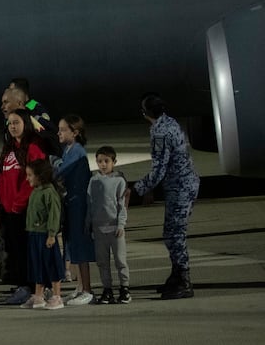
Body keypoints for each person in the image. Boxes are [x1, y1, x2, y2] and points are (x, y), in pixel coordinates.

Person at [129, 93, 200, 300]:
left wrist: (137, 189)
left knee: (174, 235)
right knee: (172, 233)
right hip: (184, 184)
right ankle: (177, 276)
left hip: (180, 188)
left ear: (145, 113)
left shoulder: (159, 132)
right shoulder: (170, 122)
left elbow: (159, 169)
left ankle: (184, 281)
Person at [0, 107, 48, 305]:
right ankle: (23, 286)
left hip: (26, 209)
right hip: (9, 209)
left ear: (25, 123)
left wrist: (19, 202)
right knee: (15, 250)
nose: (12, 127)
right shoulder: (9, 148)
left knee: (29, 250)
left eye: (16, 122)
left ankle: (35, 287)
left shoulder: (33, 147)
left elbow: (33, 179)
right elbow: (2, 177)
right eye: (9, 123)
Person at [54, 114, 95, 305]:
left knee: (79, 244)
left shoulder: (76, 151)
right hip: (70, 202)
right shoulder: (68, 149)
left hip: (78, 203)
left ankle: (87, 288)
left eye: (63, 130)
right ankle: (80, 287)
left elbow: (60, 172)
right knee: (71, 243)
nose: (59, 133)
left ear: (75, 132)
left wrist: (50, 162)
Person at [86, 145, 131, 305]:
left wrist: (121, 224)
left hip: (115, 229)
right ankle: (107, 289)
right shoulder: (93, 181)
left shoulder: (119, 181)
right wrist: (89, 225)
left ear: (114, 162)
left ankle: (124, 288)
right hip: (99, 229)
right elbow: (90, 204)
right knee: (102, 261)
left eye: (106, 161)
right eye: (99, 161)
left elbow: (122, 205)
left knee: (120, 260)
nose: (103, 164)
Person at [20, 159, 65, 310]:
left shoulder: (49, 193)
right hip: (34, 234)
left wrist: (52, 234)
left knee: (51, 264)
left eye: (30, 175)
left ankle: (57, 296)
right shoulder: (36, 191)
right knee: (37, 265)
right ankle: (38, 296)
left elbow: (54, 214)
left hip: (45, 235)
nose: (27, 179)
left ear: (40, 176)